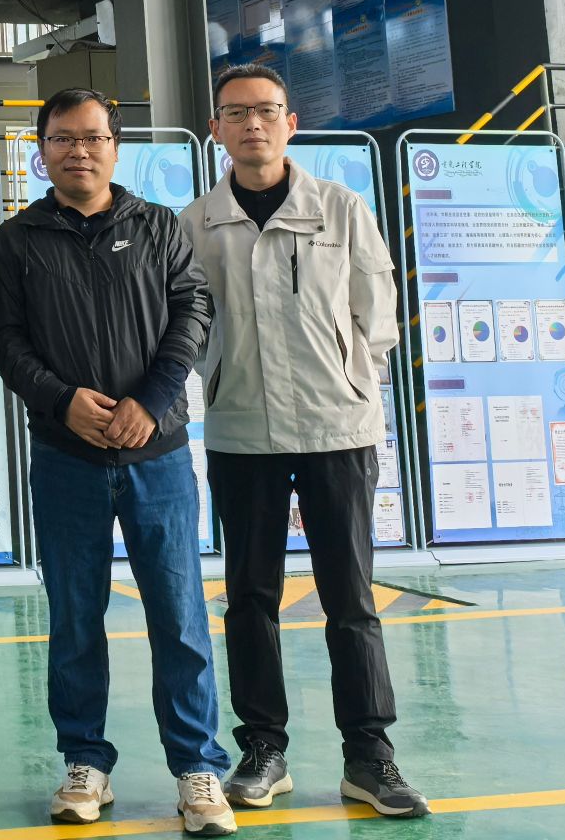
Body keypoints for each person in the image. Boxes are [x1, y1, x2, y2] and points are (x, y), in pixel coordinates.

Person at [0, 88, 235, 838]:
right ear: (41, 151)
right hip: (67, 457)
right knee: (74, 616)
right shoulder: (19, 239)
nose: (78, 151)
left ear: (115, 147)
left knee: (179, 614)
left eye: (92, 137)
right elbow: (4, 339)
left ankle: (197, 768)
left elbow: (193, 312)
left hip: (157, 454)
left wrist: (151, 401)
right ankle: (84, 761)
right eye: (62, 138)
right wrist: (61, 401)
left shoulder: (157, 226)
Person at [181, 64, 427, 820]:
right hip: (242, 429)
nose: (252, 124)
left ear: (291, 123)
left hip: (336, 428)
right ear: (216, 129)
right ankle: (263, 749)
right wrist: (220, 375)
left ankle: (369, 755)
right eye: (236, 113)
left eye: (266, 111)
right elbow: (189, 323)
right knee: (249, 597)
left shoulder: (341, 209)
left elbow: (376, 313)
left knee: (350, 596)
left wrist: (348, 374)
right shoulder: (196, 223)